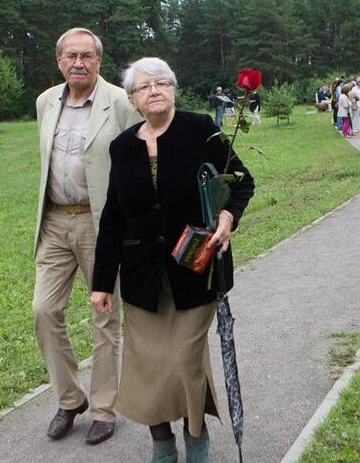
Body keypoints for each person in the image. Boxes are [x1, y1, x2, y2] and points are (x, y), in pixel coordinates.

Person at [90, 57, 255, 462]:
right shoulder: (122, 147)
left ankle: (196, 439)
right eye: (145, 87)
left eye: (162, 83)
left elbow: (242, 181)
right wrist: (100, 282)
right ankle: (162, 445)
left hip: (195, 271)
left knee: (184, 363)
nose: (155, 91)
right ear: (132, 99)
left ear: (174, 89)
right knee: (149, 370)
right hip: (143, 277)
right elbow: (114, 216)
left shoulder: (202, 129)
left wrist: (228, 216)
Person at [33, 27, 135, 445]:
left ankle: (104, 409)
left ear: (99, 61)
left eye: (87, 56)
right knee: (43, 311)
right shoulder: (45, 101)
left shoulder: (121, 103)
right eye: (71, 56)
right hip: (55, 222)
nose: (79, 62)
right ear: (59, 60)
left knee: (105, 317)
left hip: (101, 225)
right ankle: (69, 398)